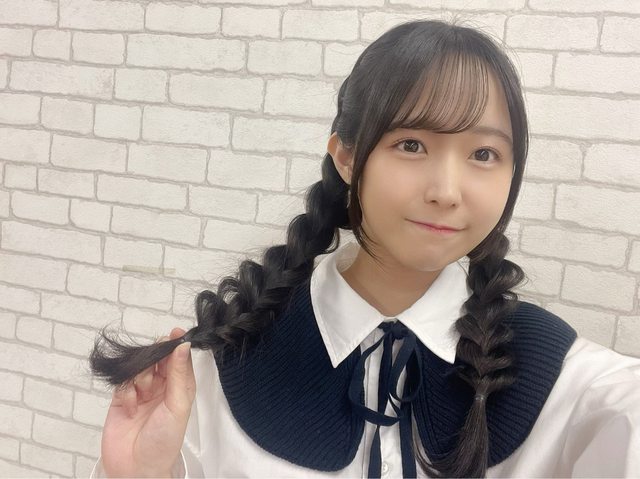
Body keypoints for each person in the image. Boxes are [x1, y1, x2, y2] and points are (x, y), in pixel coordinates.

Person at [89, 18, 640, 478]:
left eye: (484, 155)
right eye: (411, 144)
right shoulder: (217, 368)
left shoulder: (572, 384)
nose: (447, 192)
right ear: (347, 158)